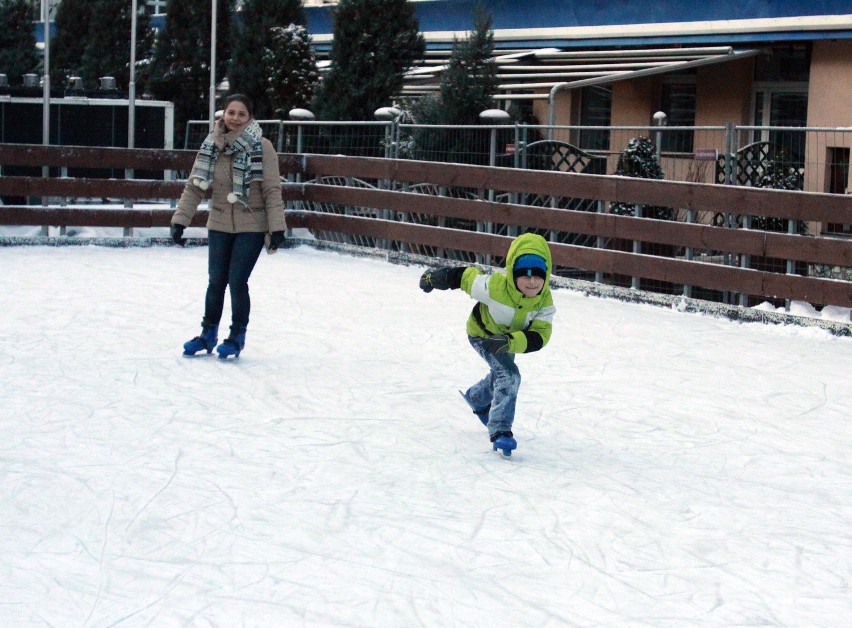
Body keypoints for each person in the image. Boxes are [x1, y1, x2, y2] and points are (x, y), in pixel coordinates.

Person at [171, 93, 287, 359]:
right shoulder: (212, 145)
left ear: (250, 118)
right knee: (215, 282)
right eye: (231, 112)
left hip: (253, 224)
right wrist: (180, 220)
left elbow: (271, 189)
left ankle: (236, 336)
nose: (235, 118)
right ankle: (207, 334)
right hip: (220, 222)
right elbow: (195, 185)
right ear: (223, 114)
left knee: (237, 281)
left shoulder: (262, 146)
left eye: (241, 114)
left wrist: (277, 228)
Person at [419, 232, 556, 456]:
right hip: (482, 335)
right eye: (525, 275)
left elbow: (541, 334)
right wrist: (433, 278)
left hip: (507, 341)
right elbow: (464, 277)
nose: (532, 281)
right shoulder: (494, 287)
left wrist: (511, 342)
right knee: (509, 376)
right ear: (513, 273)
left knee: (502, 373)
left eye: (538, 275)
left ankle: (477, 398)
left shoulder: (544, 300)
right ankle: (500, 429)